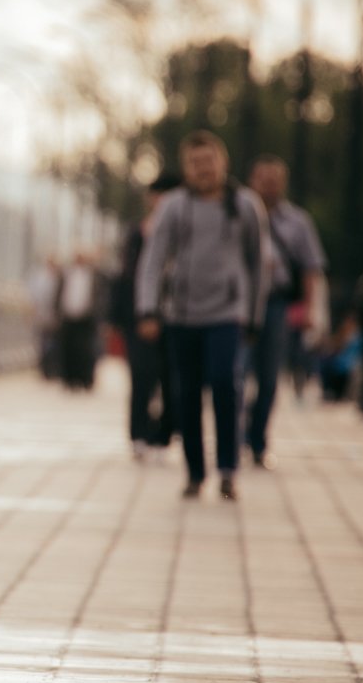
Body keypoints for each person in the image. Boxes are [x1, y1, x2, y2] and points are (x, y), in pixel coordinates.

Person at [135, 131, 268, 500]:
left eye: (208, 161)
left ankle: (228, 468)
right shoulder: (174, 206)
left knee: (226, 384)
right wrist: (148, 309)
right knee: (185, 394)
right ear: (186, 169)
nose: (203, 169)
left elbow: (258, 264)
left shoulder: (244, 205)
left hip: (228, 312)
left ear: (222, 162)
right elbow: (153, 259)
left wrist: (254, 315)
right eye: (195, 163)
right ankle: (195, 472)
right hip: (182, 314)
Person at [245, 155, 327, 469]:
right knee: (235, 373)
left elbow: (311, 268)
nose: (269, 186)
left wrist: (309, 309)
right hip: (239, 304)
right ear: (253, 180)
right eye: (264, 179)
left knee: (268, 377)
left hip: (276, 305)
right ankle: (237, 435)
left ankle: (257, 440)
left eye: (275, 180)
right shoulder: (238, 214)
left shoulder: (297, 221)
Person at [109, 170, 180, 459]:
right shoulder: (137, 232)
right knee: (141, 377)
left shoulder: (185, 231)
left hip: (176, 316)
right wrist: (121, 317)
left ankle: (163, 436)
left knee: (173, 380)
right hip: (138, 317)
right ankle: (139, 434)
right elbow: (125, 277)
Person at [57, 250, 107, 390]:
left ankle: (86, 379)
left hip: (87, 318)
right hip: (69, 316)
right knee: (69, 350)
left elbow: (101, 297)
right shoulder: (66, 273)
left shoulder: (94, 275)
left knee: (86, 351)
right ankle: (69, 380)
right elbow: (59, 294)